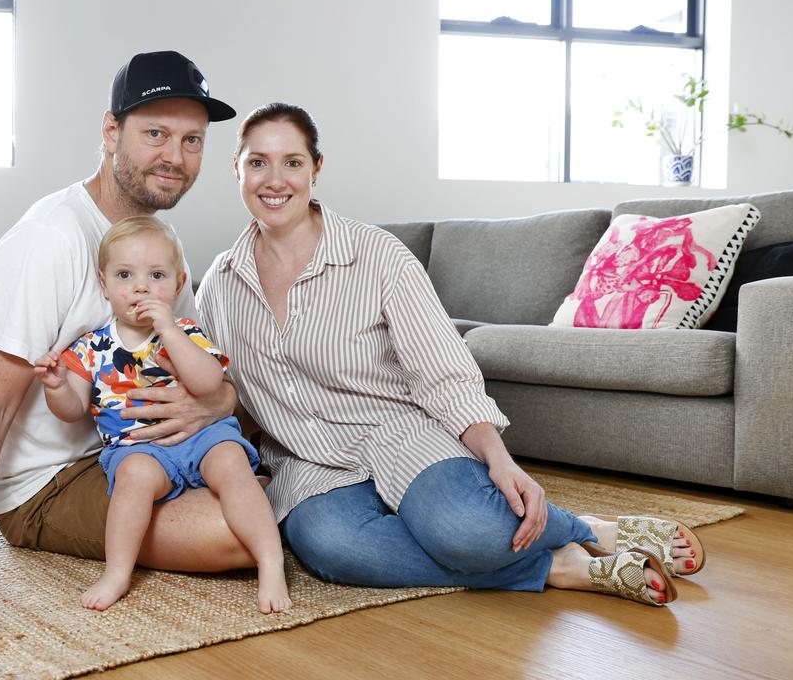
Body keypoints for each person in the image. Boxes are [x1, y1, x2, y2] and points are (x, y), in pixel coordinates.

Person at [194, 102, 705, 606]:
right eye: (257, 161)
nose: (274, 179)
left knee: (472, 529)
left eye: (292, 162)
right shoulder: (218, 285)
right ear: (236, 169)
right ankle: (556, 564)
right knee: (335, 552)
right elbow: (227, 392)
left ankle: (585, 528)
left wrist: (498, 459)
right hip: (307, 462)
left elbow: (444, 372)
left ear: (316, 169)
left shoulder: (378, 254)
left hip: (400, 434)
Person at [0, 51, 253, 602]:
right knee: (237, 533)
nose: (176, 157)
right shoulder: (49, 240)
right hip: (51, 481)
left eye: (193, 140)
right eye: (156, 133)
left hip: (137, 444)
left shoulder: (158, 243)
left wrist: (218, 402)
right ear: (111, 131)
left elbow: (192, 362)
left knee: (268, 452)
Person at [34, 216, 290, 613]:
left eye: (156, 275)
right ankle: (119, 572)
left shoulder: (185, 331)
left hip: (203, 437)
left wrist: (169, 331)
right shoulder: (91, 347)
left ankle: (271, 564)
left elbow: (208, 383)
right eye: (124, 274)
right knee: (133, 479)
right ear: (104, 285)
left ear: (178, 283)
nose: (140, 287)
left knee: (231, 464)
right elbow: (72, 412)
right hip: (137, 446)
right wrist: (56, 387)